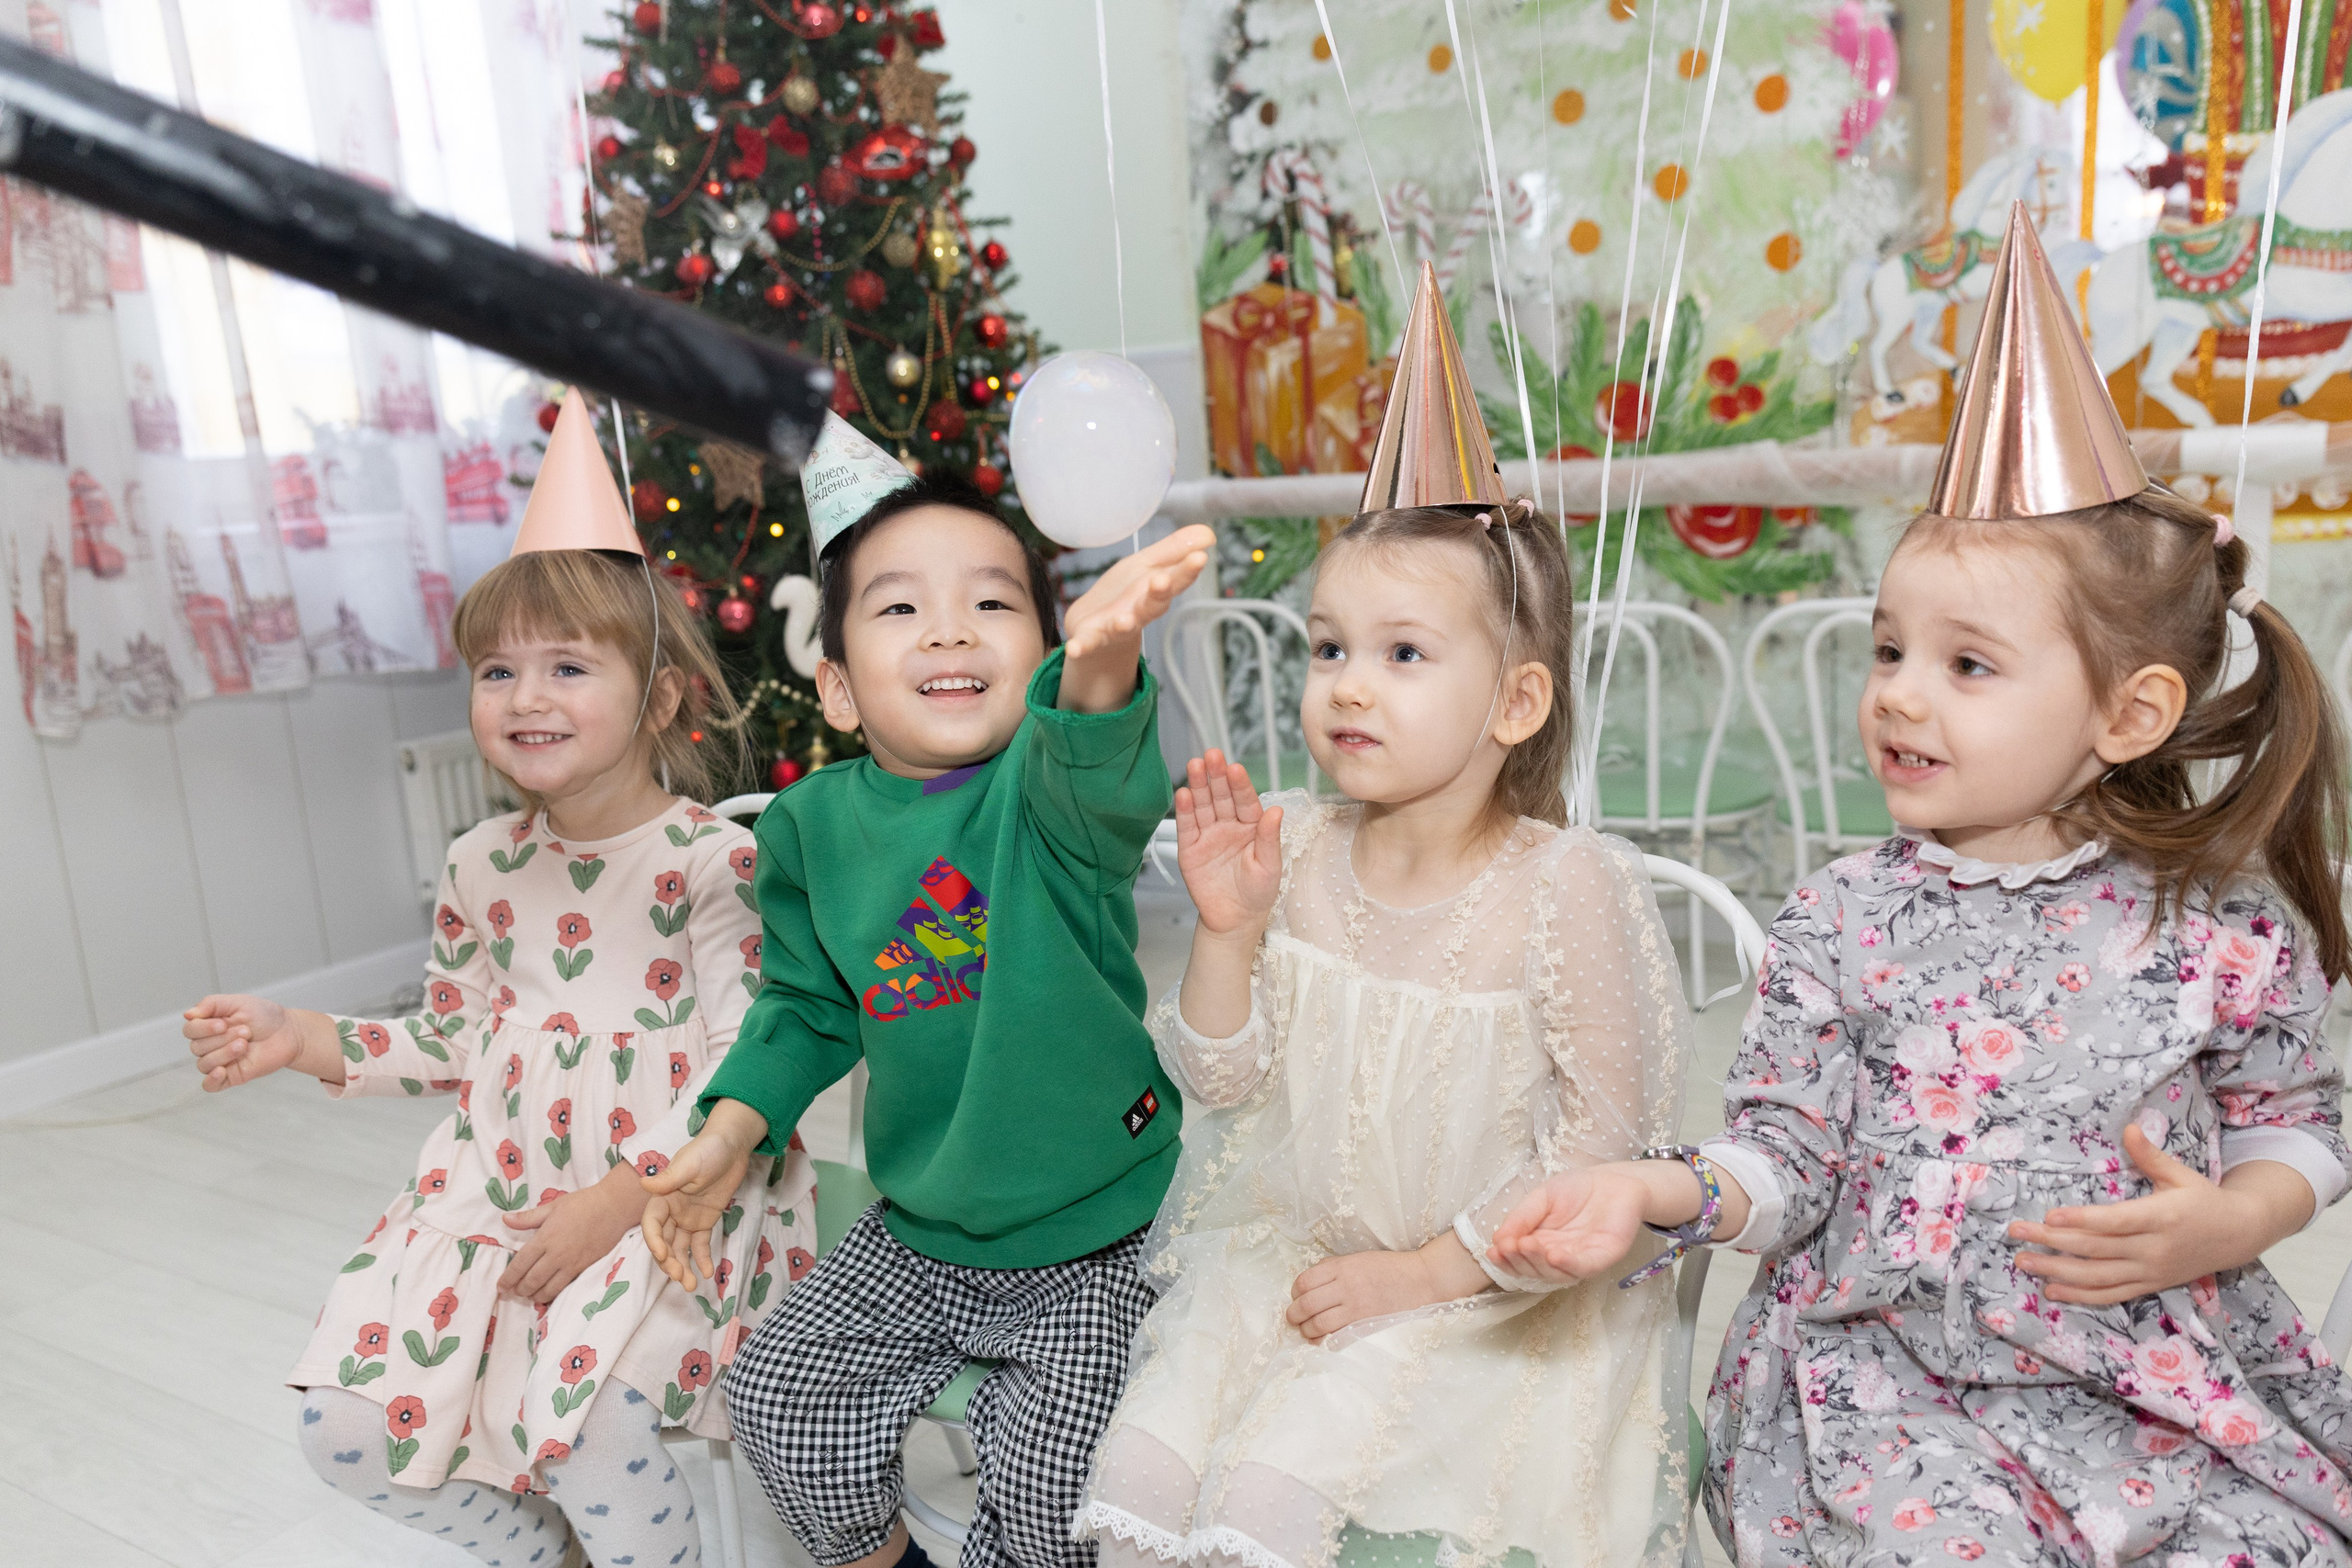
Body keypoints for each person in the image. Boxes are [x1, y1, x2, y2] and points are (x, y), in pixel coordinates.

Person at [1488, 207, 2352, 1567]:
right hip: (1897, 1385)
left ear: (2128, 712)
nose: (1897, 692)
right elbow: (1789, 1160)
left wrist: (2240, 1213)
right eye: (1889, 647)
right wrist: (1659, 1192)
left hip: (2149, 1378)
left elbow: (2299, 1120)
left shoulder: (2222, 929)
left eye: (1967, 663)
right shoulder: (1842, 915)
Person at [1073, 261, 1694, 1568]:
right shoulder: (1296, 843)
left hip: (1492, 1295)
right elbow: (1224, 1083)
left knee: (1262, 1508)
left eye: (1404, 653)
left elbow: (1602, 1164)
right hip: (1292, 1258)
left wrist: (1422, 1276)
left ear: (1516, 701)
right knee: (1132, 1482)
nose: (1348, 685)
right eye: (1328, 645)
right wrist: (1228, 930)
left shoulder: (1562, 884)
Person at [182, 391, 814, 1568]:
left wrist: (621, 1203)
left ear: (661, 698)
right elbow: (450, 1036)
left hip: (674, 1206)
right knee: (346, 1429)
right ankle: (549, 1551)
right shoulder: (480, 863)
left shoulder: (712, 863)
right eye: (496, 670)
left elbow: (749, 1069)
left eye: (568, 666)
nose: (525, 696)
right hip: (495, 1199)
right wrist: (301, 1034)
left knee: (587, 1431)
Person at [639, 412, 1217, 1568]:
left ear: (1038, 653)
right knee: (778, 1403)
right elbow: (807, 1006)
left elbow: (1096, 752)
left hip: (1094, 1227)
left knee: (1048, 1489)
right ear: (840, 689)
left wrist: (1101, 655)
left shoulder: (1048, 793)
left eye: (994, 605)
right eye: (901, 607)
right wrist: (728, 1131)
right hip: (919, 1227)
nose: (951, 627)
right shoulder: (809, 826)